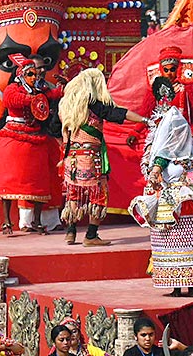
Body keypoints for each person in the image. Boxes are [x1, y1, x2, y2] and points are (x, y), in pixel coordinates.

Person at [130, 109, 193, 297]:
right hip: (171, 203)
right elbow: (155, 172)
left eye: (183, 132)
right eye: (176, 132)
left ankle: (192, 284)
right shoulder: (164, 156)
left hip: (192, 201)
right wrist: (153, 178)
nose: (180, 136)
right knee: (173, 243)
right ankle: (175, 286)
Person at [58, 68, 145, 246]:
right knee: (98, 193)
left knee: (74, 194)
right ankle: (91, 235)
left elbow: (52, 128)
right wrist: (144, 120)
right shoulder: (94, 104)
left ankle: (71, 232)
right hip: (91, 158)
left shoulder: (64, 106)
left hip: (71, 158)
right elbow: (118, 113)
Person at [0, 54, 63, 236]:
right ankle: (7, 221)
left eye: (35, 74)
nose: (34, 77)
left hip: (34, 137)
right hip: (14, 136)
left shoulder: (37, 90)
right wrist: (32, 100)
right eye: (30, 75)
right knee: (9, 181)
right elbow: (9, 100)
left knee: (41, 180)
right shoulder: (14, 88)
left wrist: (63, 88)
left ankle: (36, 221)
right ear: (21, 75)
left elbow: (51, 95)